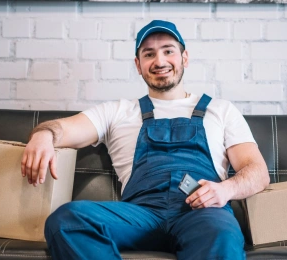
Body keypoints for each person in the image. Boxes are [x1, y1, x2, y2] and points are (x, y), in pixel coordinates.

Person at [21, 20, 270, 260]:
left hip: (203, 214)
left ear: (184, 58)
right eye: (149, 54)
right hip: (139, 216)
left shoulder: (221, 110)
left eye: (168, 51)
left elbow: (257, 172)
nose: (159, 61)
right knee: (67, 220)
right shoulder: (117, 111)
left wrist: (225, 190)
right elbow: (63, 129)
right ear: (138, 65)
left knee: (222, 236)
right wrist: (44, 134)